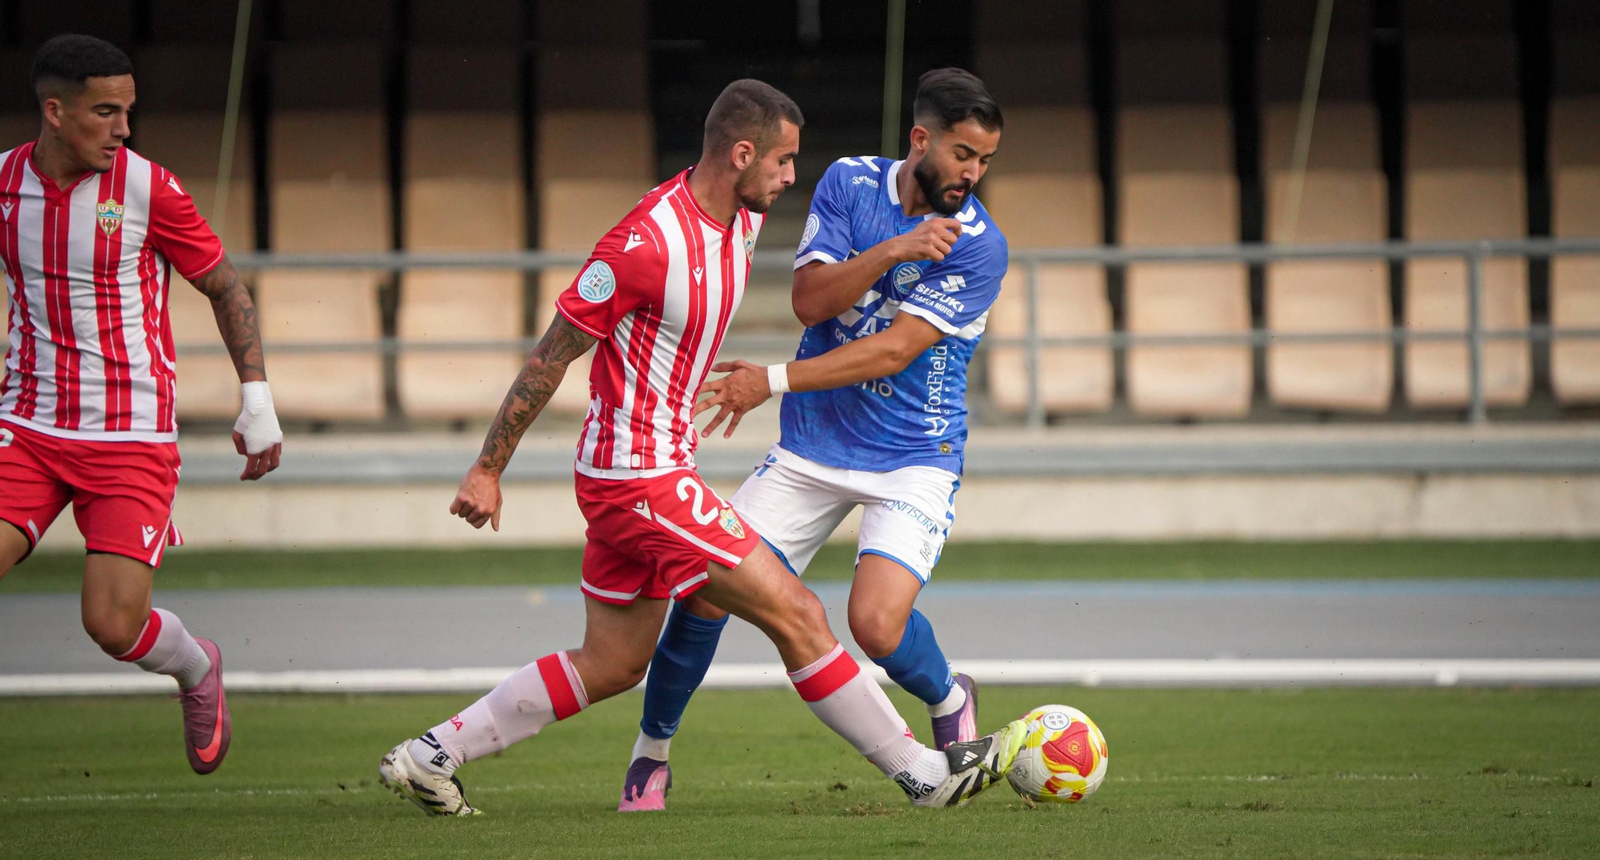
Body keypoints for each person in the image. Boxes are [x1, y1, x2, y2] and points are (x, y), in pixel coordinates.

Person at [377, 78, 1023, 816]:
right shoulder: (643, 246)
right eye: (781, 163)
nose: (791, 179)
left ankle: (432, 755)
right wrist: (488, 468)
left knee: (614, 661)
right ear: (742, 155)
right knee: (798, 614)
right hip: (639, 475)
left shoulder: (739, 219)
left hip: (649, 472)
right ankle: (922, 773)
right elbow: (552, 355)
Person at [618, 68, 1007, 812]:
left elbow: (894, 351)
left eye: (985, 161)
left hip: (914, 455)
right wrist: (894, 251)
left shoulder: (981, 246)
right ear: (921, 139)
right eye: (962, 154)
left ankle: (949, 692)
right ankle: (651, 753)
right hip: (812, 450)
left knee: (874, 624)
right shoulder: (849, 184)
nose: (973, 174)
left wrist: (769, 380)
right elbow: (809, 299)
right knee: (703, 594)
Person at [0, 35, 284, 774]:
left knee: (112, 623)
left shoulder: (149, 190)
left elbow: (225, 287)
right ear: (55, 112)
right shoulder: (3, 186)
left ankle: (196, 669)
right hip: (26, 427)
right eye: (106, 111)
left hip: (129, 436)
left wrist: (256, 399)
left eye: (129, 110)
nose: (124, 127)